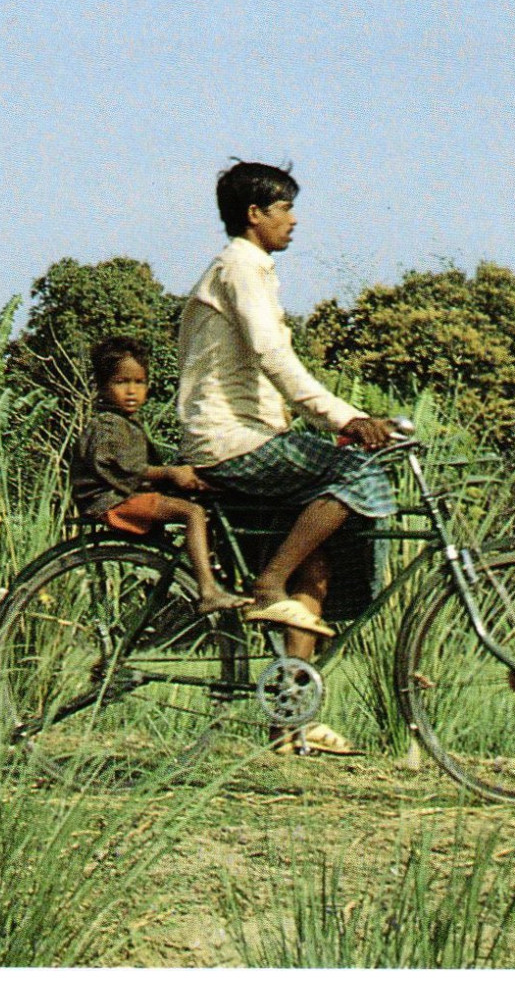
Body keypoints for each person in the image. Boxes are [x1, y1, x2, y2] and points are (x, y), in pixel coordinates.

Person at [178, 161, 402, 755]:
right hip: (231, 442)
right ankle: (267, 582)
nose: (294, 220)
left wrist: (344, 420)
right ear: (255, 215)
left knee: (319, 566)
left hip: (254, 436)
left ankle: (292, 718)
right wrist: (344, 418)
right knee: (359, 471)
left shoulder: (251, 269)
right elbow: (274, 356)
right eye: (285, 209)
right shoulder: (240, 266)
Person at [69, 337, 248, 615]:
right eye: (121, 382)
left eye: (139, 382)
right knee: (192, 513)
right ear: (103, 387)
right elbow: (124, 469)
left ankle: (210, 572)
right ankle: (208, 590)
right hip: (111, 500)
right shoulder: (106, 425)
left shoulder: (124, 422)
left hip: (123, 495)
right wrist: (169, 473)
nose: (131, 391)